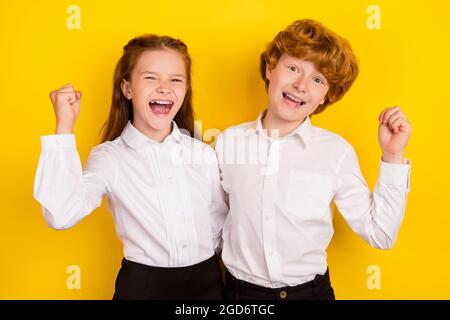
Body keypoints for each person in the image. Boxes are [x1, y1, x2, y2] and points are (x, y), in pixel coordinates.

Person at [214, 19, 412, 300]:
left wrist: (393, 156)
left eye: (317, 79)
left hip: (310, 294)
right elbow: (215, 223)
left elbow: (381, 234)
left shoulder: (335, 153)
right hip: (240, 294)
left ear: (325, 96)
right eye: (293, 68)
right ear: (271, 68)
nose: (301, 85)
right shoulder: (228, 142)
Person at [33, 34, 228, 300]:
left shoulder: (203, 154)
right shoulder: (109, 158)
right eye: (150, 78)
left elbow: (217, 224)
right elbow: (61, 215)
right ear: (127, 88)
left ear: (185, 90)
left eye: (176, 79)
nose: (164, 88)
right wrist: (64, 127)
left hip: (208, 284)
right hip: (144, 288)